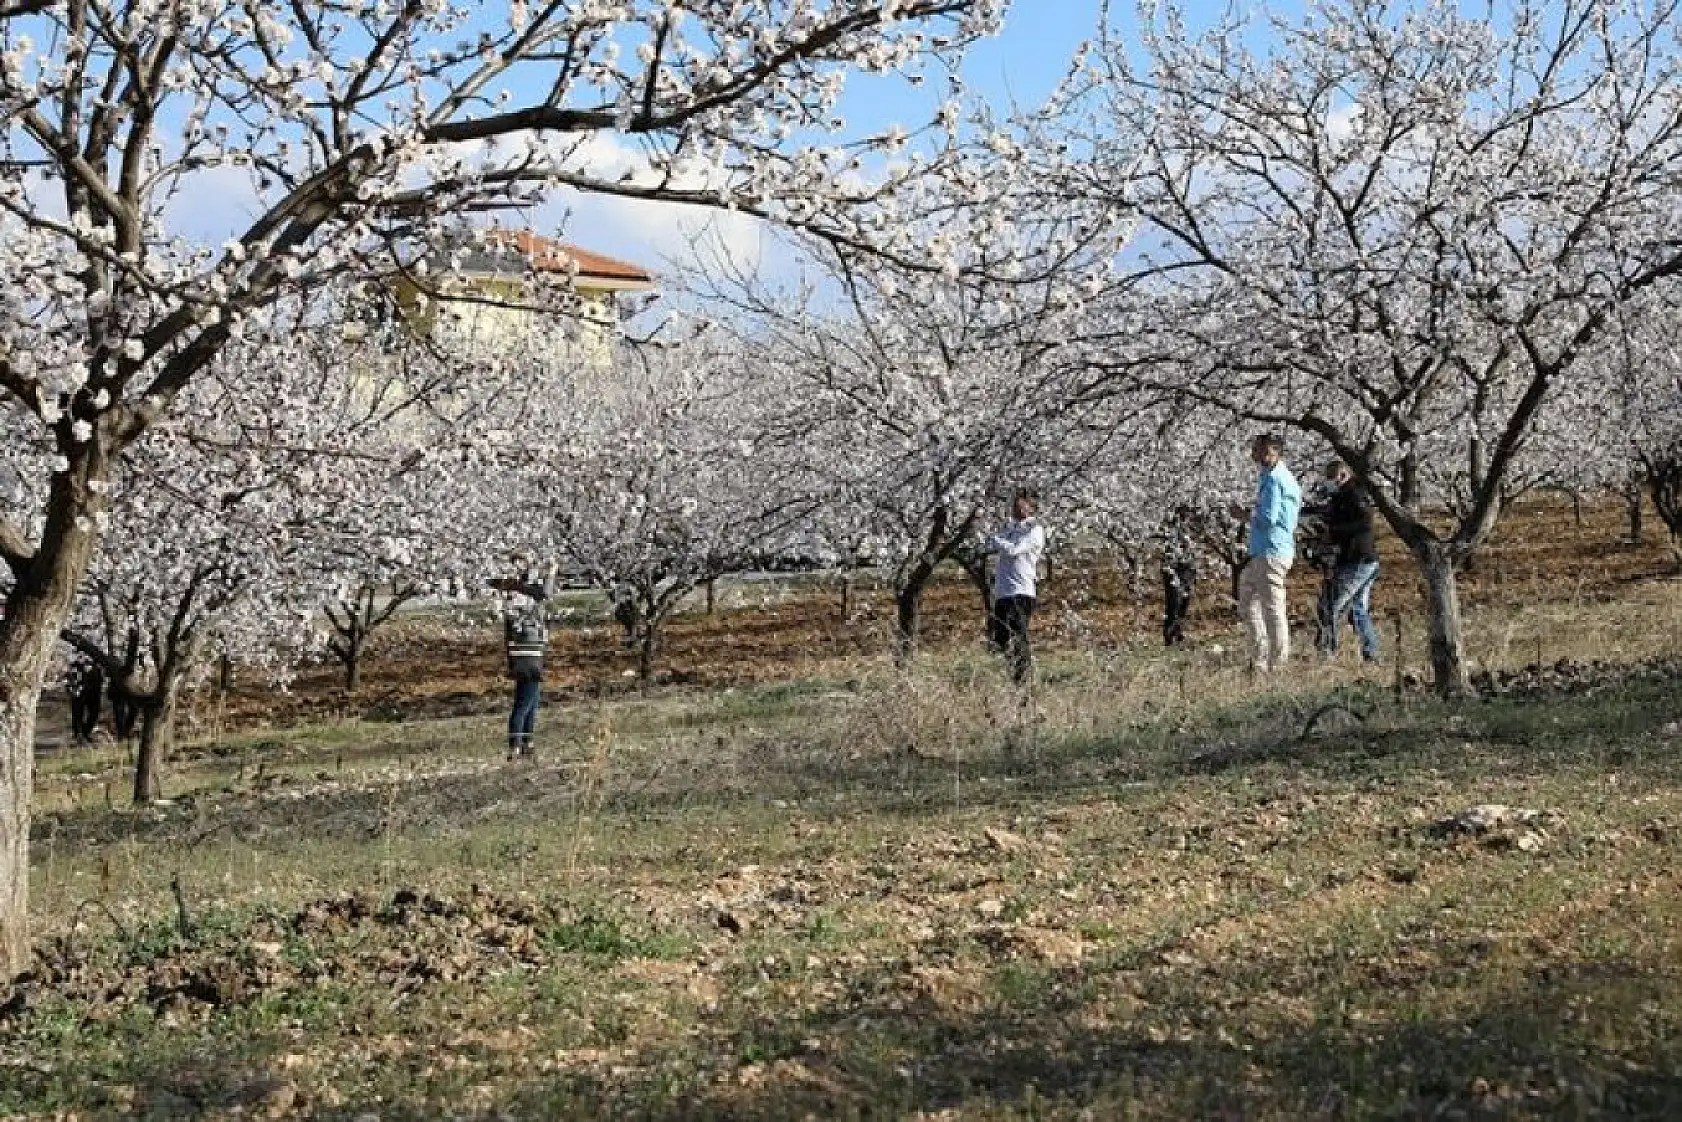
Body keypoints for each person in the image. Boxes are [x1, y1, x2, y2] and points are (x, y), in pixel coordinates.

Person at [1232, 434, 1302, 673]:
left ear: (1273, 453)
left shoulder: (1274, 479)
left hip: (1271, 550)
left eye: (1261, 451)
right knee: (1248, 601)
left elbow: (1268, 518)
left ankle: (1277, 662)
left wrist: (1243, 515)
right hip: (1267, 549)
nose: (1256, 455)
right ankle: (1260, 657)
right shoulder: (1278, 477)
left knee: (1272, 607)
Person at [981, 490, 1047, 686]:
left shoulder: (1034, 531)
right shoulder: (1009, 528)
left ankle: (1024, 681)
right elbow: (990, 544)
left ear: (1030, 508)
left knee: (1018, 637)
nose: (1016, 510)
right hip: (1003, 592)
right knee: (1002, 638)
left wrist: (994, 538)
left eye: (1021, 506)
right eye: (1014, 506)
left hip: (1021, 591)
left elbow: (1014, 549)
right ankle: (1014, 676)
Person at [1318, 461, 1382, 662]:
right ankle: (1370, 652)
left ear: (1343, 474)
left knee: (1332, 604)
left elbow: (1364, 522)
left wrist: (1333, 532)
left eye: (1332, 477)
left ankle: (1328, 650)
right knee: (1357, 609)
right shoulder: (1342, 496)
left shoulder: (1354, 493)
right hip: (1360, 559)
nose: (1330, 482)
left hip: (1358, 559)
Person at [496, 568, 552, 761]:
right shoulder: (521, 614)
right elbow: (543, 596)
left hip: (526, 662)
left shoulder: (515, 614)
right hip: (530, 663)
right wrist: (551, 572)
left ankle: (527, 743)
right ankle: (516, 746)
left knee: (531, 704)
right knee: (523, 706)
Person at [1158, 509, 1199, 647]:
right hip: (1172, 565)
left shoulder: (1191, 526)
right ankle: (1169, 635)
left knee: (1184, 601)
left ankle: (1178, 631)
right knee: (1173, 601)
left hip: (1187, 565)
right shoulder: (1169, 525)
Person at [66, 653, 104, 744]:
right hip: (79, 695)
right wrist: (73, 689)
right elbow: (70, 681)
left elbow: (100, 681)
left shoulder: (97, 668)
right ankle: (79, 735)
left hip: (93, 695)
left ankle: (86, 732)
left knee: (94, 714)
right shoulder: (75, 667)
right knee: (77, 716)